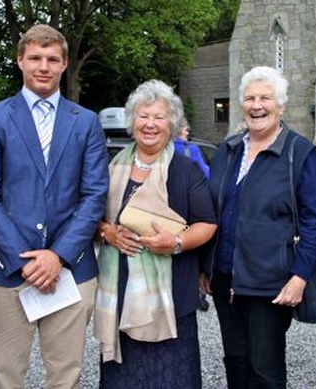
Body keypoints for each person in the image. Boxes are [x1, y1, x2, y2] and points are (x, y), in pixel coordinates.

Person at [0, 24, 109, 389]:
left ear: (64, 64)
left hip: (71, 270)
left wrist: (57, 256)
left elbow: (94, 195)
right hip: (6, 270)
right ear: (20, 61)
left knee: (66, 375)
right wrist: (24, 259)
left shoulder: (87, 122)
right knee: (6, 374)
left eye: (52, 59)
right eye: (35, 58)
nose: (43, 66)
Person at [200, 66, 316, 388]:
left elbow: (314, 219)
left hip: (270, 281)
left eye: (265, 98)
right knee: (235, 358)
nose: (257, 105)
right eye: (250, 98)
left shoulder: (300, 154)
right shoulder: (228, 151)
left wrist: (300, 276)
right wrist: (206, 266)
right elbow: (213, 211)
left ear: (281, 105)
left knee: (264, 367)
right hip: (225, 277)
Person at [95, 79, 217, 388]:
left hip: (172, 296)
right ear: (132, 121)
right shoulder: (112, 167)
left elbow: (208, 223)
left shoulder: (186, 169)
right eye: (143, 116)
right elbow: (93, 218)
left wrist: (175, 241)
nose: (150, 124)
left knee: (171, 378)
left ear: (171, 123)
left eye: (158, 117)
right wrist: (108, 232)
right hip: (122, 293)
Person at [173, 118, 212, 312]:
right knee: (192, 251)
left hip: (171, 213)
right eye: (185, 127)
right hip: (192, 210)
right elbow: (205, 174)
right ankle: (198, 293)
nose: (188, 130)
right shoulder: (191, 150)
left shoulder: (165, 148)